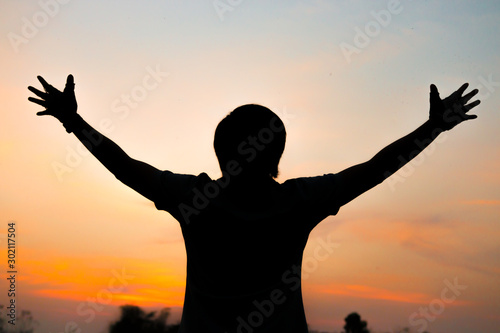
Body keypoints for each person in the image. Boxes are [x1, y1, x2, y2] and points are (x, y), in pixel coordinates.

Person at [28, 75, 480, 333]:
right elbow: (376, 169)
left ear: (221, 153)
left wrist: (73, 121)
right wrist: (432, 129)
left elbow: (123, 165)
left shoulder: (196, 200)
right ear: (276, 155)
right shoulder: (299, 201)